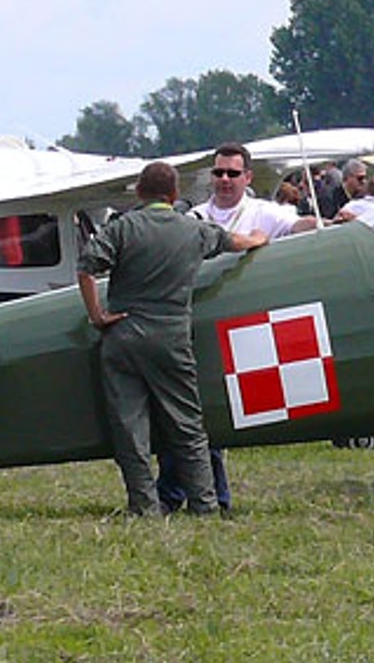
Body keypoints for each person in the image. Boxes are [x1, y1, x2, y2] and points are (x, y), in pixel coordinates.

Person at [77, 161, 267, 516]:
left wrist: (97, 315)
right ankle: (205, 505)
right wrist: (258, 239)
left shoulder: (122, 228)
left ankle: (144, 505)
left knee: (129, 426)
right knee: (187, 425)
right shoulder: (191, 230)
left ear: (139, 193)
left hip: (121, 334)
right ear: (175, 194)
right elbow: (233, 241)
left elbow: (86, 266)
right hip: (170, 337)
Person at [156, 142, 318, 513]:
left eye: (232, 173)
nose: (225, 180)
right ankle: (181, 491)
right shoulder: (194, 217)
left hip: (247, 331)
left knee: (208, 413)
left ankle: (196, 494)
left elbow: (297, 226)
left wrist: (327, 220)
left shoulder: (265, 213)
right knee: (189, 408)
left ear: (247, 177)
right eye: (219, 173)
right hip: (198, 325)